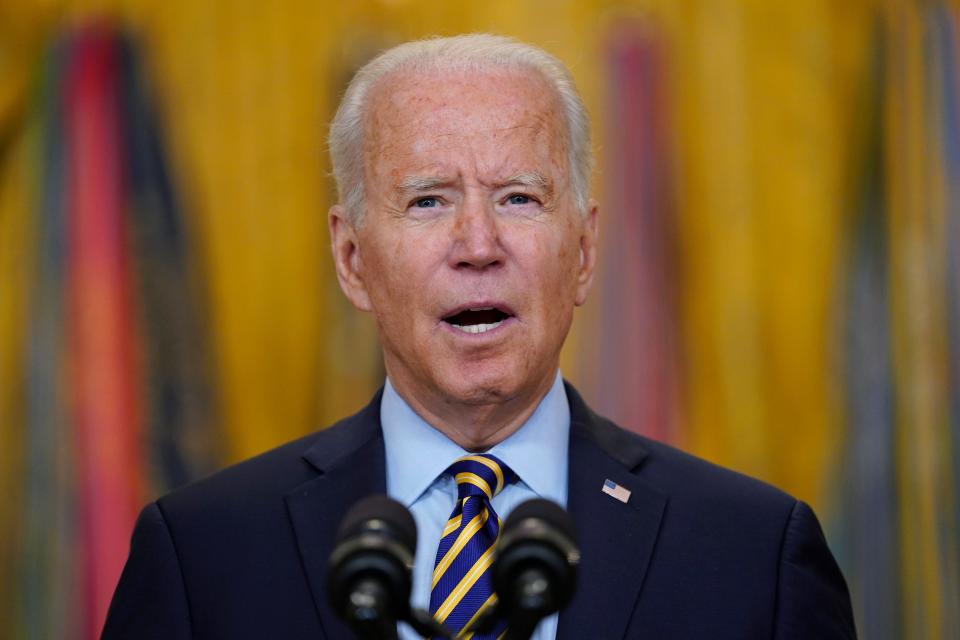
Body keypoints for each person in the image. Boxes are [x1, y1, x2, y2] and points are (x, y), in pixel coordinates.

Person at [103, 34, 856, 639]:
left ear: (584, 253)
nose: (478, 242)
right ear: (352, 258)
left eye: (519, 198)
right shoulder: (203, 554)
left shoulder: (755, 553)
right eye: (428, 201)